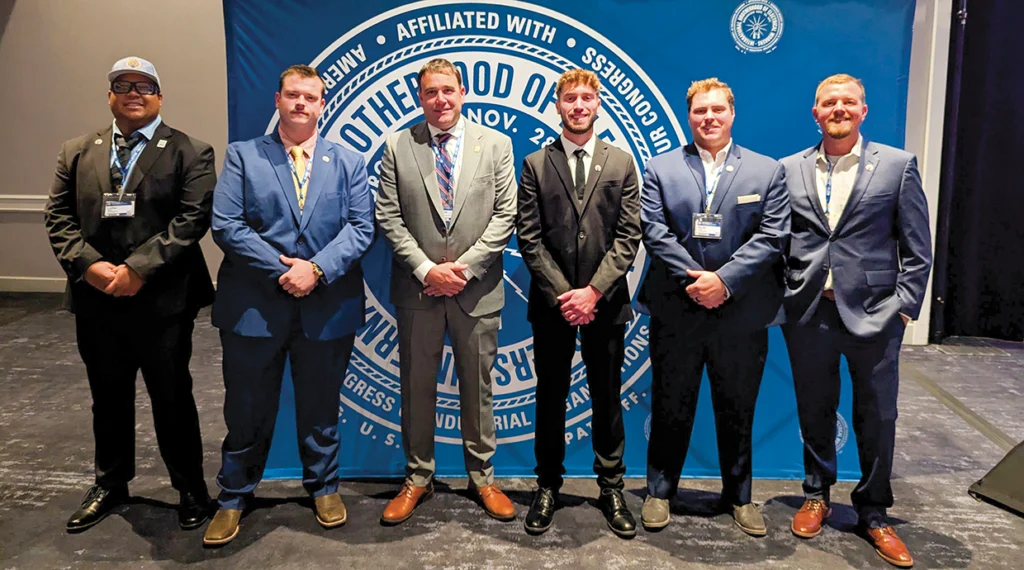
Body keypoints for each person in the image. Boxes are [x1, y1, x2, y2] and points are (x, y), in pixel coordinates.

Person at [202, 64, 374, 546]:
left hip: (327, 306)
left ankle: (323, 487)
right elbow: (227, 225)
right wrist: (285, 269)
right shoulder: (242, 157)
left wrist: (314, 270)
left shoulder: (349, 162)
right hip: (254, 307)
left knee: (321, 407)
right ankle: (234, 496)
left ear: (323, 105)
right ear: (277, 99)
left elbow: (362, 228)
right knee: (246, 409)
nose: (302, 104)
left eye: (311, 97)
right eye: (293, 95)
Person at [44, 56, 216, 532]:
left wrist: (138, 270)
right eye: (123, 85)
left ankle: (190, 488)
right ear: (110, 96)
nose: (133, 92)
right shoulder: (77, 150)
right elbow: (57, 219)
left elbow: (191, 220)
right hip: (96, 298)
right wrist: (92, 267)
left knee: (172, 395)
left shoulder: (190, 151)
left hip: (162, 300)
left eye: (144, 85)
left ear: (160, 96)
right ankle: (110, 482)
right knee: (108, 395)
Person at [780, 74, 931, 568]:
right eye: (829, 102)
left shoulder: (898, 165)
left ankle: (874, 511)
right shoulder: (790, 168)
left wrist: (904, 307)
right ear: (815, 112)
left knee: (877, 417)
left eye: (848, 102)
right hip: (809, 313)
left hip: (876, 315)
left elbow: (917, 249)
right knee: (814, 410)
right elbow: (779, 241)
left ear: (863, 111)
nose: (838, 108)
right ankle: (817, 494)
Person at [638, 78, 790, 536]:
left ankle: (739, 497)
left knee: (738, 408)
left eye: (717, 109)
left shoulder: (767, 171)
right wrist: (697, 280)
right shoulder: (661, 168)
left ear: (732, 113)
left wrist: (723, 281)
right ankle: (659, 491)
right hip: (677, 310)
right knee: (670, 406)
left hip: (740, 313)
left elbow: (772, 236)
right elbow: (654, 231)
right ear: (690, 116)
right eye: (700, 110)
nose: (709, 118)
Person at [375, 58, 517, 524]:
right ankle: (418, 477)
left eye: (448, 90)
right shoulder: (398, 146)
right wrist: (424, 269)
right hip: (419, 292)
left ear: (463, 92)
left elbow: (505, 216)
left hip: (476, 291)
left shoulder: (495, 145)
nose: (441, 100)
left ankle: (483, 477)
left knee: (479, 389)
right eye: (431, 92)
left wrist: (464, 267)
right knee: (416, 386)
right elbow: (389, 217)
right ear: (421, 97)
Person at [516, 69, 641, 537]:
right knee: (550, 396)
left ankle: (611, 487)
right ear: (558, 105)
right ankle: (547, 485)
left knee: (607, 396)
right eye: (570, 98)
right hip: (552, 306)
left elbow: (629, 237)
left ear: (598, 104)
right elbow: (528, 237)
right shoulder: (534, 163)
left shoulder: (622, 163)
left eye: (587, 97)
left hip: (605, 305)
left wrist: (592, 292)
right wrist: (565, 294)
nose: (579, 105)